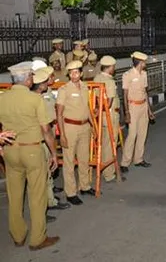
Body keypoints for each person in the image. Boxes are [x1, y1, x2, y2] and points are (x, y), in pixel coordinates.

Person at [0, 62, 60, 250]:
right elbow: (46, 130)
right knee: (37, 195)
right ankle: (37, 238)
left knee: (15, 195)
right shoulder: (35, 100)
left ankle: (18, 235)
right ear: (27, 79)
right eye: (31, 77)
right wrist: (54, 153)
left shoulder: (2, 98)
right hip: (32, 150)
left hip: (10, 151)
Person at [56, 60, 95, 205]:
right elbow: (59, 114)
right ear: (68, 74)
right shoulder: (64, 90)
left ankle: (85, 186)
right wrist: (62, 135)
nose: (74, 75)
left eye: (77, 72)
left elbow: (87, 109)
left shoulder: (85, 87)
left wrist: (94, 127)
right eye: (71, 73)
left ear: (81, 73)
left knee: (84, 159)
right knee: (69, 162)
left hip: (85, 127)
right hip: (70, 128)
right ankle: (71, 192)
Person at [32, 68, 71, 211]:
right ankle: (49, 203)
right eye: (48, 78)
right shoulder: (36, 98)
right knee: (45, 169)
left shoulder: (46, 93)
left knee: (47, 169)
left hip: (48, 130)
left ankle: (50, 194)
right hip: (42, 135)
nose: (51, 80)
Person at [121, 51, 155, 172]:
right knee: (132, 134)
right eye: (144, 62)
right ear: (140, 62)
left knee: (142, 134)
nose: (145, 63)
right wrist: (127, 112)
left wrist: (149, 110)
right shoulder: (127, 75)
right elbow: (124, 95)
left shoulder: (144, 74)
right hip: (133, 107)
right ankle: (125, 162)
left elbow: (146, 92)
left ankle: (138, 159)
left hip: (143, 106)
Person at [94, 56, 122, 182]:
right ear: (110, 67)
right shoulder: (109, 81)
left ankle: (105, 170)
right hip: (110, 115)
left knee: (104, 143)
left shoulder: (97, 78)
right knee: (111, 144)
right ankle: (109, 173)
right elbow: (109, 102)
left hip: (101, 115)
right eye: (113, 67)